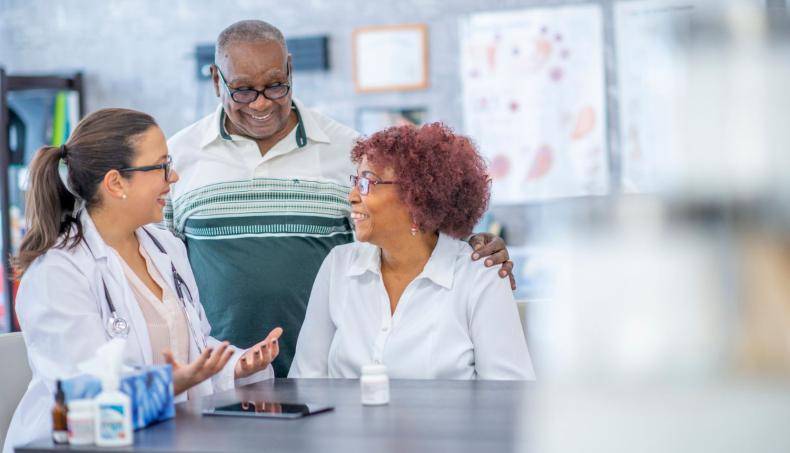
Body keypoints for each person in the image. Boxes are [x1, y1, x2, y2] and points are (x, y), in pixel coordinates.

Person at [166, 20, 516, 377]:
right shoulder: (178, 158)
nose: (260, 103)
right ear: (215, 81)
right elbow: (156, 265)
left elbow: (409, 230)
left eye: (274, 86)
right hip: (218, 377)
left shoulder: (347, 150)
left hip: (321, 383)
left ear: (290, 69)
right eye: (242, 90)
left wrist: (471, 246)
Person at [3, 109, 282, 453]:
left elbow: (191, 342)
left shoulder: (166, 248)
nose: (174, 176)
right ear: (116, 182)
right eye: (162, 166)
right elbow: (81, 389)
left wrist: (233, 365)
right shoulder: (58, 271)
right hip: (75, 443)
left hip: (161, 436)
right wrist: (165, 385)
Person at [289, 123, 535, 380]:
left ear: (416, 197)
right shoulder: (338, 266)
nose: (351, 196)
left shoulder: (480, 275)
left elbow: (508, 395)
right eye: (356, 181)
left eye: (367, 182)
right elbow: (307, 380)